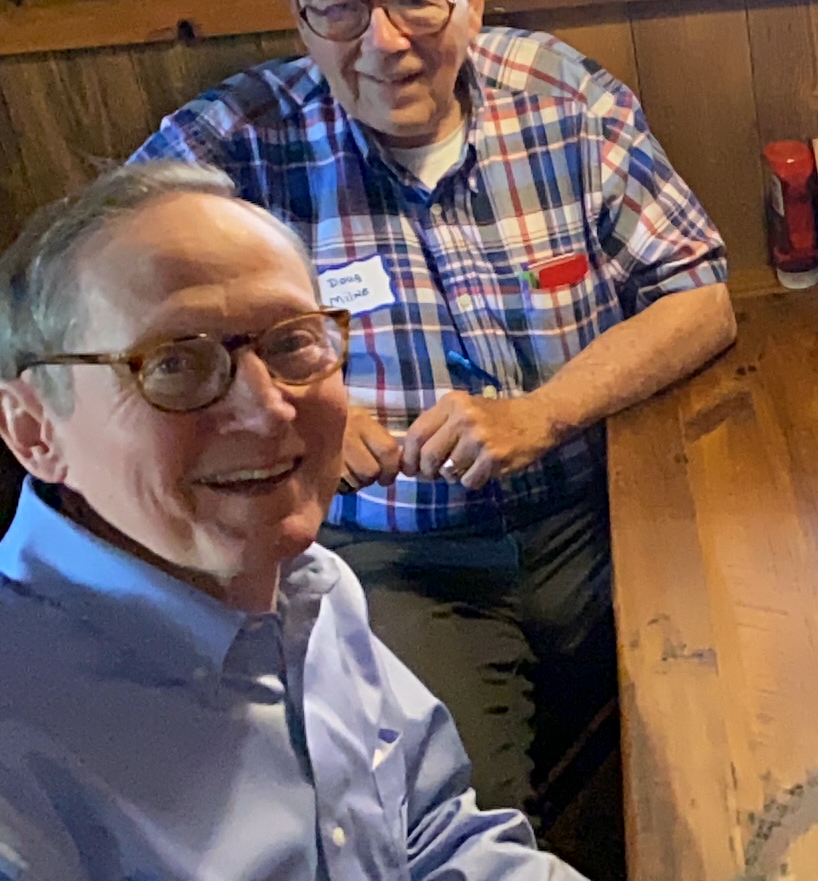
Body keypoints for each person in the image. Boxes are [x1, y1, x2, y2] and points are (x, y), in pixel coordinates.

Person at [133, 0, 734, 817]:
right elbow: (107, 337)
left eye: (414, 0)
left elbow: (700, 292)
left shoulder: (566, 100)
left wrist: (544, 413)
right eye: (339, 8)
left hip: (613, 523)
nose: (382, 42)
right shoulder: (228, 146)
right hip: (399, 567)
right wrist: (298, 421)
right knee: (456, 825)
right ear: (295, 7)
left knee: (738, 751)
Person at [0, 162, 585, 879]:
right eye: (176, 363)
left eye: (290, 342)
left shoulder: (313, 590)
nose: (268, 407)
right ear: (34, 430)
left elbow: (432, 834)